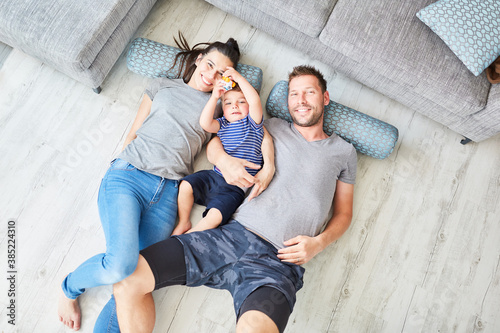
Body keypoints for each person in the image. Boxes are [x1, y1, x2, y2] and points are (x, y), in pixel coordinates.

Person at [113, 65, 357, 333]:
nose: (300, 100)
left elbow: (344, 214)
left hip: (277, 262)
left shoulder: (343, 152)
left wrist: (319, 243)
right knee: (127, 280)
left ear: (324, 98)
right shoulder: (270, 126)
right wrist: (225, 162)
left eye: (309, 92)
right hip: (227, 236)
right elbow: (216, 140)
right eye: (293, 94)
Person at [57, 33, 275, 332]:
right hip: (130, 175)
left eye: (220, 72)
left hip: (169, 192)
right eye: (209, 64)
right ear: (199, 59)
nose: (211, 75)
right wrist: (124, 165)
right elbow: (134, 131)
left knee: (135, 282)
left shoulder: (221, 106)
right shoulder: (162, 85)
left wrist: (230, 161)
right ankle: (69, 288)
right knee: (120, 264)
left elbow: (219, 145)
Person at [176, 67, 267, 234]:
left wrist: (238, 78)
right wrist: (215, 97)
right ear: (223, 109)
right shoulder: (223, 124)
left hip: (235, 187)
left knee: (216, 216)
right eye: (228, 103)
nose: (235, 106)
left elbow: (255, 101)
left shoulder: (253, 124)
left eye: (241, 101)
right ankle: (183, 222)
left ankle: (190, 234)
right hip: (214, 175)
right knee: (186, 184)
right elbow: (205, 123)